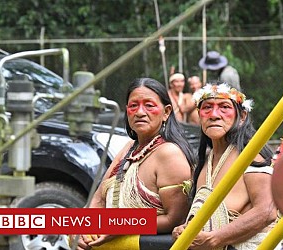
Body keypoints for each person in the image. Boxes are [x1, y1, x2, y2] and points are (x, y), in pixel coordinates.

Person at [75, 77, 195, 249]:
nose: (140, 112)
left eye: (149, 105)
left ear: (166, 112)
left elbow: (174, 219)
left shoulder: (169, 153)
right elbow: (99, 200)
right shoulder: (130, 148)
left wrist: (121, 225)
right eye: (133, 106)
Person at [172, 82, 277, 249]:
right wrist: (184, 230)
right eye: (207, 108)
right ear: (199, 115)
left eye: (224, 107)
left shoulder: (251, 153)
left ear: (242, 116)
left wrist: (215, 238)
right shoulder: (205, 160)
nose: (214, 114)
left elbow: (267, 211)